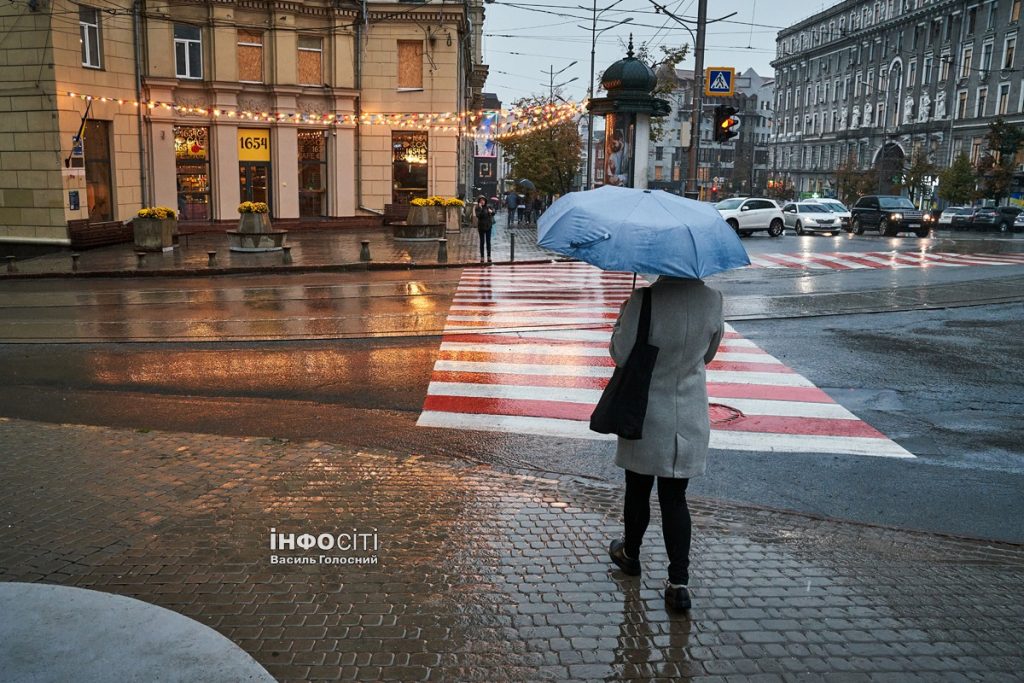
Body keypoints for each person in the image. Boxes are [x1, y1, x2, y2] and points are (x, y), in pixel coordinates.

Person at [606, 275, 724, 612]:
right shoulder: (713, 300)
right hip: (688, 415)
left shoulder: (644, 300)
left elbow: (619, 354)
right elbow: (708, 355)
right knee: (675, 499)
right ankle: (678, 584)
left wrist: (623, 315)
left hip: (646, 414)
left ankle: (631, 555)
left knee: (638, 489)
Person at [473, 196, 495, 262]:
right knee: (482, 242)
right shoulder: (477, 208)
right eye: (481, 201)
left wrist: (491, 211)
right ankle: (482, 257)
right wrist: (481, 208)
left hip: (488, 226)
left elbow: (493, 213)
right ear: (479, 202)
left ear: (485, 201)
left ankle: (489, 256)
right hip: (481, 227)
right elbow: (479, 216)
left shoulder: (488, 206)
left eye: (483, 200)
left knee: (488, 242)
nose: (482, 201)